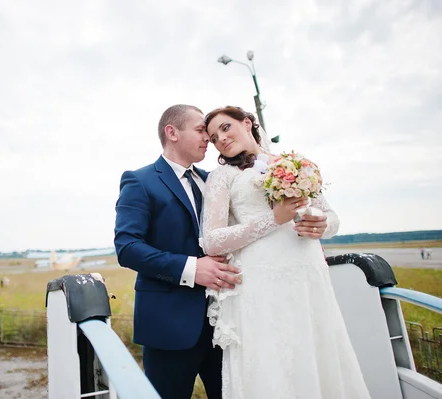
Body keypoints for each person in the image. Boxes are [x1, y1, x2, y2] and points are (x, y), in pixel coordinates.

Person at [201, 106, 371, 398]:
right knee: (271, 359)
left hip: (307, 273)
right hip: (260, 281)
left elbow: (332, 217)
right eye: (214, 138)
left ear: (247, 123)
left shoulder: (295, 165)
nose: (221, 139)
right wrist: (273, 220)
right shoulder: (223, 176)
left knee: (316, 349)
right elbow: (212, 241)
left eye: (226, 128)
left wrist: (321, 223)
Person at [114, 104, 242, 398]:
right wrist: (192, 269)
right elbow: (127, 247)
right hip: (169, 328)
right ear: (172, 132)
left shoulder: (215, 180)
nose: (208, 139)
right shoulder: (139, 181)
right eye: (200, 130)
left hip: (226, 325)